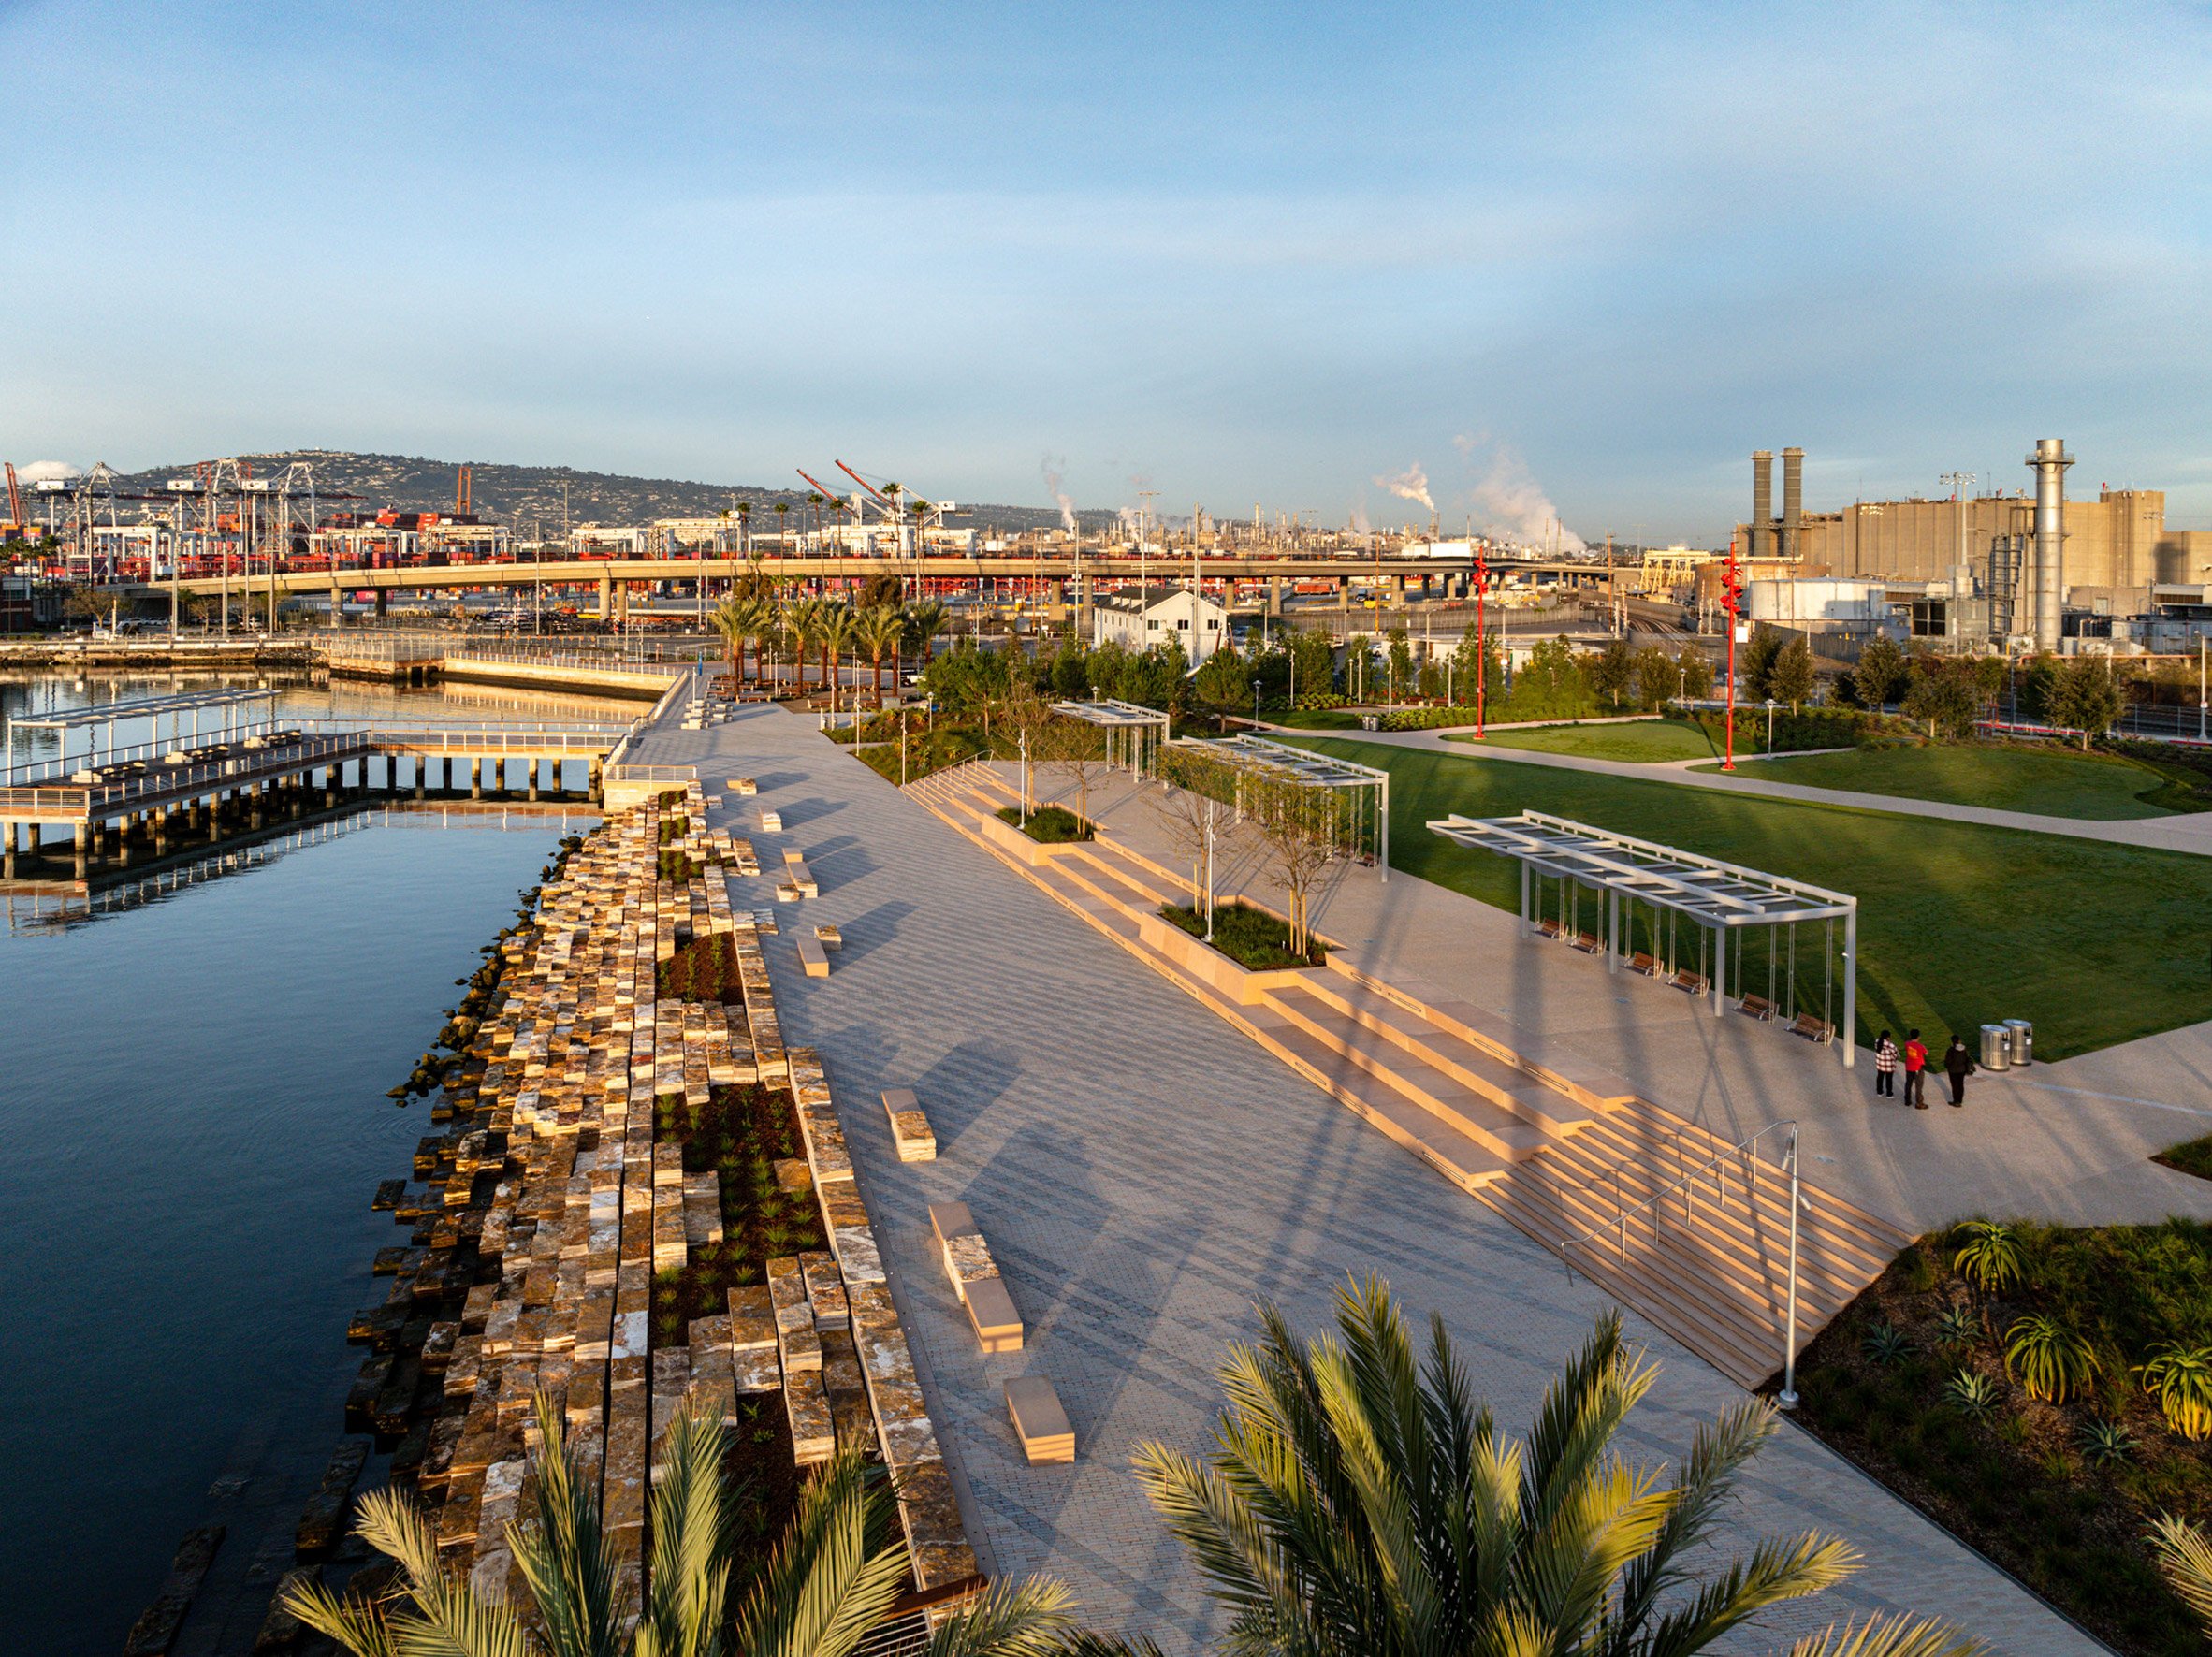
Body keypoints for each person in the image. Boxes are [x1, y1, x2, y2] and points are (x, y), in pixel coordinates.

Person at [1944, 1035, 1977, 1106]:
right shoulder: (1964, 1049)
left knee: (1955, 1086)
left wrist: (1948, 1066)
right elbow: (1966, 1058)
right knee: (1960, 1085)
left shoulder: (1951, 1050)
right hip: (1962, 1070)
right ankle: (1960, 1100)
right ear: (1959, 1041)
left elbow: (1947, 1061)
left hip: (1953, 1071)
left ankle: (1956, 1101)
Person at [1903, 1029, 1928, 1109]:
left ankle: (1907, 1100)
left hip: (1909, 1067)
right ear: (1919, 1037)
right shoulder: (1920, 1046)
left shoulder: (1907, 1044)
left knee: (1908, 1084)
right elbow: (1926, 1053)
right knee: (1918, 1086)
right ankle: (1919, 1103)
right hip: (1918, 1068)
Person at [1873, 1031, 1898, 1097]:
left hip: (1880, 1064)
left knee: (1880, 1077)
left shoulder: (1877, 1041)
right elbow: (1896, 1055)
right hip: (1889, 1066)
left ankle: (1879, 1091)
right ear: (1888, 1037)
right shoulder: (1891, 1045)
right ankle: (1889, 1094)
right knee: (1889, 1080)